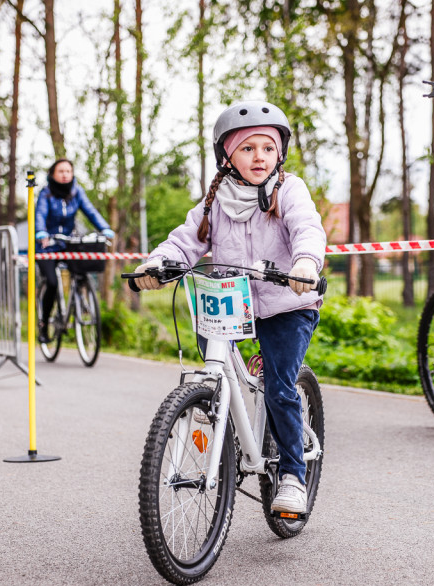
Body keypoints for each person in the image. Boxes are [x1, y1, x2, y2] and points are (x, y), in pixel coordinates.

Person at [130, 101, 326, 515]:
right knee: (212, 362)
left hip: (287, 302)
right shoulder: (215, 200)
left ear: (280, 154)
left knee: (278, 384)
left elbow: (307, 227)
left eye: (268, 148)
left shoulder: (289, 190)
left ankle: (292, 474)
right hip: (231, 304)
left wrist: (305, 262)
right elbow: (185, 241)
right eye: (248, 148)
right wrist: (156, 264)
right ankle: (216, 405)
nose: (260, 157)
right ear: (228, 156)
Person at [35, 159, 114, 342]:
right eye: (61, 171)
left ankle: (80, 303)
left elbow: (91, 211)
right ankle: (44, 324)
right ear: (52, 174)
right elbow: (40, 214)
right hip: (46, 245)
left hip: (67, 244)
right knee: (53, 283)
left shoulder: (77, 192)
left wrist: (105, 228)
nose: (65, 174)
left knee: (81, 271)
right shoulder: (46, 194)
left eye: (68, 171)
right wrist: (41, 232)